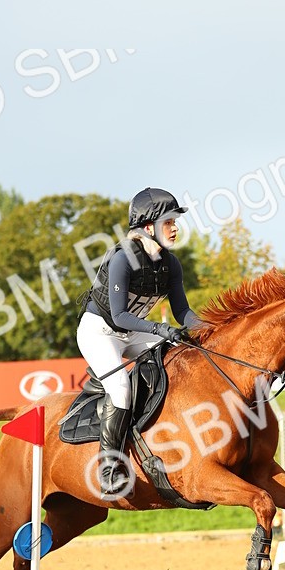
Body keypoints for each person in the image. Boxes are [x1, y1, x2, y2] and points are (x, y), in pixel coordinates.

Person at [77, 187, 202, 498]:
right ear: (149, 228)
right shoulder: (123, 259)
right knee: (120, 388)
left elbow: (183, 311)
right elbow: (118, 316)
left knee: (179, 360)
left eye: (175, 221)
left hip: (133, 333)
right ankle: (109, 468)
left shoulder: (171, 264)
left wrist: (211, 330)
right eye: (169, 221)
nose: (175, 227)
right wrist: (161, 329)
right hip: (99, 331)